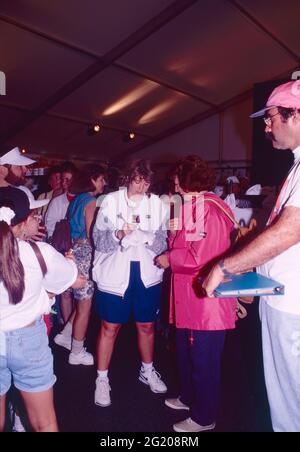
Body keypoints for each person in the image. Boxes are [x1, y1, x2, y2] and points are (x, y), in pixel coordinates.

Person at [203, 80, 300, 432]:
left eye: (271, 116)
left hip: (293, 311)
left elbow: (291, 229)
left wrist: (225, 266)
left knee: (291, 409)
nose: (266, 125)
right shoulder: (296, 165)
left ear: (296, 115)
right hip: (283, 303)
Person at [156, 156, 237, 433]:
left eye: (178, 179)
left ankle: (204, 417)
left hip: (205, 303)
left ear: (189, 179)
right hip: (190, 297)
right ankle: (190, 397)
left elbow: (201, 256)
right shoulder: (192, 206)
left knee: (204, 361)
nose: (174, 185)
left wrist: (169, 258)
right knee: (187, 355)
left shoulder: (209, 209)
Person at [0, 187, 85, 432]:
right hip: (28, 341)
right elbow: (74, 279)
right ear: (24, 222)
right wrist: (68, 263)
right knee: (44, 423)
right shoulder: (39, 253)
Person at [92, 159, 168, 407]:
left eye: (146, 180)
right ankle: (101, 379)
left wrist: (146, 238)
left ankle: (148, 370)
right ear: (128, 178)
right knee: (109, 327)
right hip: (115, 274)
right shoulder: (110, 202)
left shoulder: (158, 204)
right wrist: (119, 234)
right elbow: (98, 241)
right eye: (138, 179)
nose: (142, 185)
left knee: (146, 326)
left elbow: (164, 243)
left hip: (147, 273)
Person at [54, 165, 108, 366]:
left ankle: (66, 335)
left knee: (80, 301)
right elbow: (92, 233)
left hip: (73, 253)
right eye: (101, 179)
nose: (104, 183)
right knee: (85, 305)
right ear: (93, 179)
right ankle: (76, 351)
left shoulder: (77, 199)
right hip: (85, 253)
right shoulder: (91, 201)